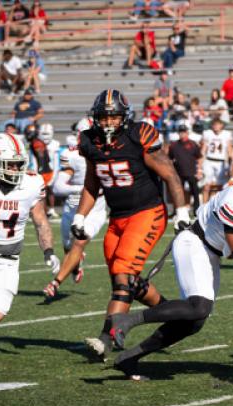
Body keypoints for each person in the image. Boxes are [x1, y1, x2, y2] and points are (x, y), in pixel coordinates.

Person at [102, 153, 233, 379]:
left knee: (194, 323)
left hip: (210, 252)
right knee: (199, 307)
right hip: (195, 243)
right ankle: (126, 320)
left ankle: (129, 358)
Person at [74, 89, 190, 360]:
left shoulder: (138, 136)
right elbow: (92, 182)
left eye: (114, 117)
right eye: (104, 117)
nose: (109, 122)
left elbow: (170, 174)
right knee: (125, 280)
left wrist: (182, 211)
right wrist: (81, 215)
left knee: (123, 278)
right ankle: (174, 314)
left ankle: (107, 338)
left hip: (147, 212)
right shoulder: (89, 141)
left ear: (124, 118)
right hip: (118, 217)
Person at [0, 132, 60, 343]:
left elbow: (40, 220)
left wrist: (49, 251)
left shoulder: (32, 183)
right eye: (9, 164)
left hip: (7, 258)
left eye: (18, 164)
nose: (15, 170)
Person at [44, 133, 107, 298]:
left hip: (96, 210)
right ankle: (76, 266)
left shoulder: (109, 153)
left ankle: (55, 283)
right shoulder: (72, 156)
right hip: (72, 207)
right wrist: (81, 189)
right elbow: (58, 188)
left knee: (79, 241)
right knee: (67, 248)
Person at [24, 123, 56, 218]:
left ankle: (44, 213)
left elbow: (41, 156)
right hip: (46, 170)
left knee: (41, 193)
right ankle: (46, 211)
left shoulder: (36, 142)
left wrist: (40, 169)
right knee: (44, 192)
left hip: (44, 172)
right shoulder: (36, 141)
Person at [168, 124, 202, 213]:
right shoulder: (174, 145)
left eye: (184, 132)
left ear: (187, 133)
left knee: (195, 192)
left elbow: (199, 157)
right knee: (178, 192)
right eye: (180, 132)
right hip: (179, 172)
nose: (182, 134)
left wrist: (199, 170)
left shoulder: (193, 144)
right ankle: (178, 211)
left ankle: (196, 210)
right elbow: (170, 159)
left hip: (191, 172)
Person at [201, 118, 233, 201]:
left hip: (221, 162)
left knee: (220, 186)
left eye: (217, 124)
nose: (216, 126)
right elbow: (203, 150)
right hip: (209, 161)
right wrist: (200, 165)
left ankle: (216, 205)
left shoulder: (226, 134)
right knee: (206, 185)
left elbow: (230, 151)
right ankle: (203, 206)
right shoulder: (208, 133)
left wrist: (230, 166)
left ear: (221, 125)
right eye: (214, 124)